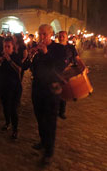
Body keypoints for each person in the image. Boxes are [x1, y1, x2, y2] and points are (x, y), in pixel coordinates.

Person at [30, 24, 66, 165]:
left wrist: (45, 53)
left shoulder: (59, 49)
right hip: (37, 88)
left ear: (51, 34)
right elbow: (32, 68)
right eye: (40, 34)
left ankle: (49, 151)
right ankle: (43, 141)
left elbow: (59, 66)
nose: (42, 37)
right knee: (39, 117)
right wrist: (30, 56)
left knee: (50, 121)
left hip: (51, 89)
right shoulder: (37, 49)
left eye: (45, 34)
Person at [0, 37, 22, 139]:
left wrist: (9, 60)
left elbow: (19, 70)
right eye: (5, 47)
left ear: (13, 47)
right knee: (5, 107)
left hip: (14, 87)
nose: (6, 48)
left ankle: (15, 129)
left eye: (8, 46)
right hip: (3, 86)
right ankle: (7, 123)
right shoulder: (1, 57)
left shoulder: (16, 56)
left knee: (13, 109)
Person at [58, 31, 87, 119]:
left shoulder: (71, 48)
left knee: (63, 91)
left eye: (63, 36)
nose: (61, 37)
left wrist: (84, 67)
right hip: (56, 72)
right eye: (60, 36)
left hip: (66, 72)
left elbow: (77, 59)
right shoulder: (55, 47)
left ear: (67, 38)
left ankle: (62, 111)